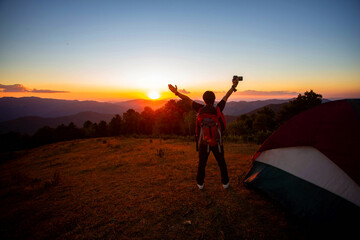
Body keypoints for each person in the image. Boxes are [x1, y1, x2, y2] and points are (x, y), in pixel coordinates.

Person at [168, 77, 240, 189]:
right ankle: (225, 183)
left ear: (204, 100)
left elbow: (186, 99)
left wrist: (176, 92)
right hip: (217, 142)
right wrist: (234, 86)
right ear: (214, 99)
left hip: (203, 141)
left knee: (202, 163)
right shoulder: (218, 108)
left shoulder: (200, 109)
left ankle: (200, 183)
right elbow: (226, 96)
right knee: (221, 163)